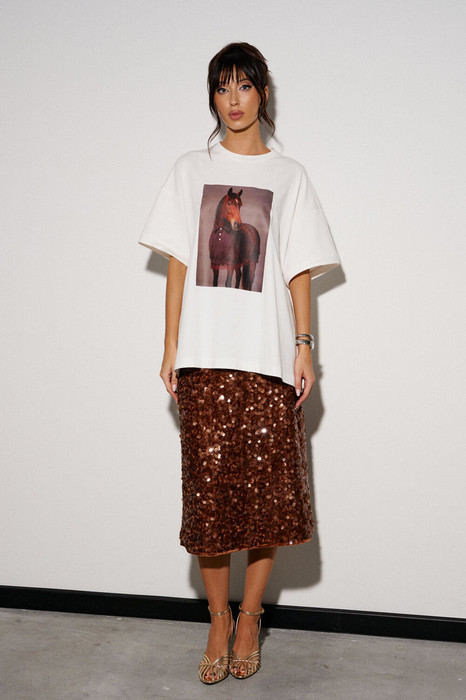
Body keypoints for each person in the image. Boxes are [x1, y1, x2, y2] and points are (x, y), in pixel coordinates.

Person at [138, 42, 341, 684]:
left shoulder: (291, 176)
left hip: (267, 356)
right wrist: (170, 347)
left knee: (266, 496)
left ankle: (251, 616)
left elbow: (298, 269)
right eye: (222, 87)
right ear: (212, 97)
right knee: (209, 500)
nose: (233, 99)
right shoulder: (188, 170)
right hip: (204, 357)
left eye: (244, 86)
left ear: (263, 94)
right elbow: (178, 263)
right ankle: (218, 618)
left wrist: (305, 347)